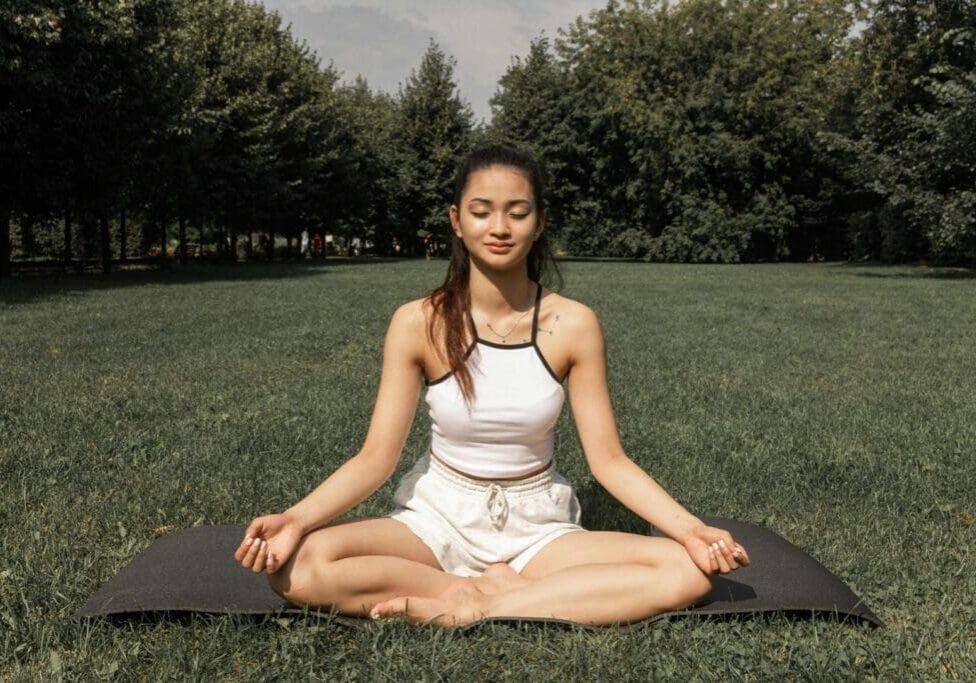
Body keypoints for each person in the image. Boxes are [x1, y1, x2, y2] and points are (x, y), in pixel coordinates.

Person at [235, 144, 750, 626]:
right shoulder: (419, 322)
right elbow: (375, 459)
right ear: (457, 222)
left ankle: (486, 604)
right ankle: (461, 589)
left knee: (686, 571)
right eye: (481, 211)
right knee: (298, 568)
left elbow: (609, 461)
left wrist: (689, 528)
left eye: (518, 212)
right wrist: (295, 519)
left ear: (540, 222)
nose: (499, 227)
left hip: (538, 526)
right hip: (438, 519)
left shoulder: (573, 324)